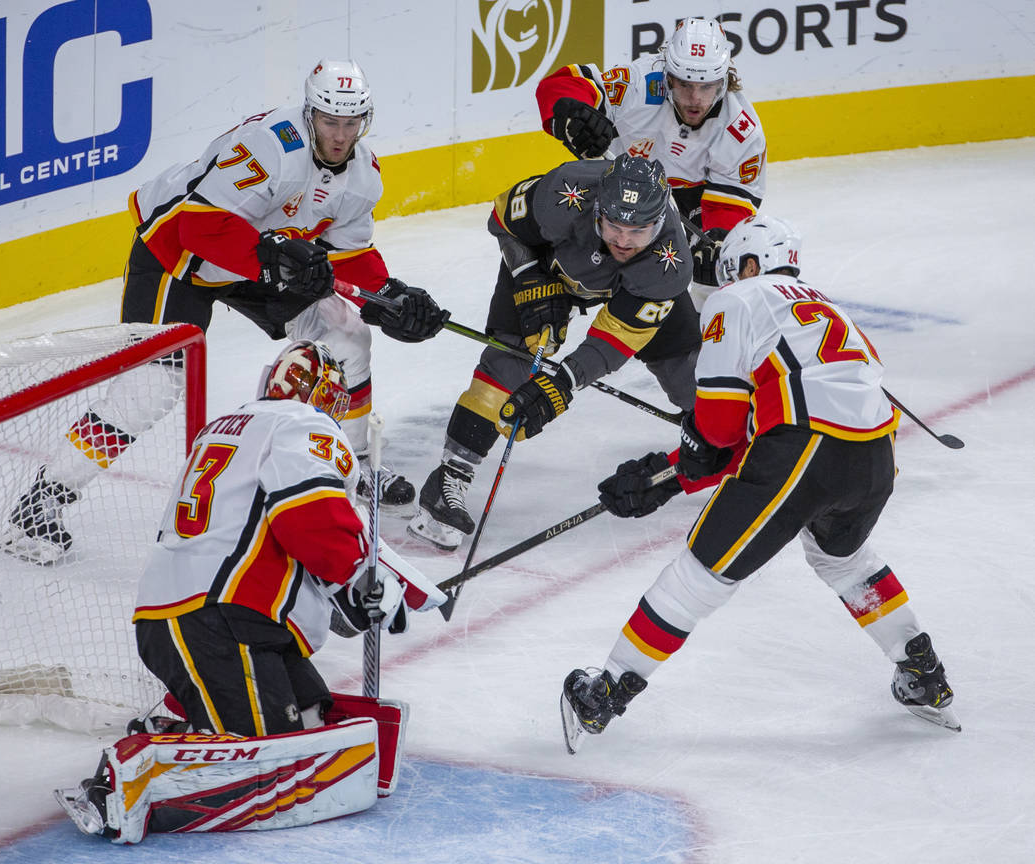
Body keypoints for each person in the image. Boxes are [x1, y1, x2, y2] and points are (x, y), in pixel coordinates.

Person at [0, 59, 446, 566]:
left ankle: (357, 464)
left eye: (350, 124)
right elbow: (197, 226)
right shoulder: (270, 145)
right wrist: (273, 257)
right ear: (309, 112)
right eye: (328, 122)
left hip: (262, 260)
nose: (340, 136)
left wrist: (390, 297)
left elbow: (348, 254)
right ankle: (39, 505)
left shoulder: (363, 175)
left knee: (347, 335)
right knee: (151, 390)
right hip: (180, 257)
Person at [560, 215, 959, 749]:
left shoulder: (740, 297)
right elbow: (758, 445)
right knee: (841, 559)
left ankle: (605, 693)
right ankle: (923, 673)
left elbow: (725, 429)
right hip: (876, 459)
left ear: (748, 265)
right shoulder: (824, 309)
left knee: (699, 574)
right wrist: (670, 475)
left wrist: (677, 466)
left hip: (808, 445)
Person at [55, 340, 446, 842]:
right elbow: (307, 517)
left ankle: (179, 723)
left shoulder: (226, 426)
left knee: (311, 719)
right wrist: (355, 573)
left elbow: (267, 529)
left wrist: (350, 592)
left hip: (203, 616)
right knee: (279, 764)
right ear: (327, 397)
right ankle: (123, 780)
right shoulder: (303, 424)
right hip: (221, 619)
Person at [407, 153, 703, 551]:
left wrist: (563, 382)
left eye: (638, 232)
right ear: (597, 208)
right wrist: (529, 279)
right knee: (508, 366)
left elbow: (615, 338)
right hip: (547, 267)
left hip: (634, 287)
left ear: (659, 224)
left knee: (690, 380)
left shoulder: (671, 264)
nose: (622, 241)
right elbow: (503, 219)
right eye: (613, 226)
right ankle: (449, 478)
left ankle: (725, 438)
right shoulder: (566, 191)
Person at [536, 17, 766, 307]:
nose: (694, 99)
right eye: (684, 84)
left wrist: (718, 234)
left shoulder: (741, 129)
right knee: (579, 256)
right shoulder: (639, 83)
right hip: (619, 184)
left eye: (706, 87)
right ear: (667, 76)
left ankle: (706, 337)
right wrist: (573, 113)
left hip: (689, 197)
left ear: (723, 81)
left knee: (716, 264)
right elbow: (562, 84)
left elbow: (730, 200)